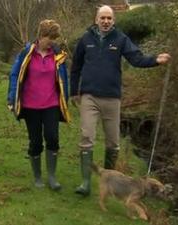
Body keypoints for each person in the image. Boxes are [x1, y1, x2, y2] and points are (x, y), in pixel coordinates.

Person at [70, 5, 171, 196]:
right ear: (96, 19)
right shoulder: (86, 39)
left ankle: (109, 180)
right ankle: (85, 183)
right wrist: (74, 91)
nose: (106, 21)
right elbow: (76, 66)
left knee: (113, 143)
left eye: (109, 18)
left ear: (113, 21)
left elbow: (136, 58)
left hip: (112, 97)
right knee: (86, 137)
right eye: (103, 18)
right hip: (89, 96)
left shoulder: (120, 39)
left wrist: (156, 60)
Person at [7, 19, 70, 191]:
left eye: (54, 38)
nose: (52, 41)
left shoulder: (58, 55)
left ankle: (51, 176)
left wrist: (67, 99)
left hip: (51, 105)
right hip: (30, 106)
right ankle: (37, 177)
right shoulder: (26, 53)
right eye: (50, 37)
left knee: (52, 137)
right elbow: (14, 75)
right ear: (41, 36)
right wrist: (12, 98)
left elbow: (64, 79)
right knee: (35, 141)